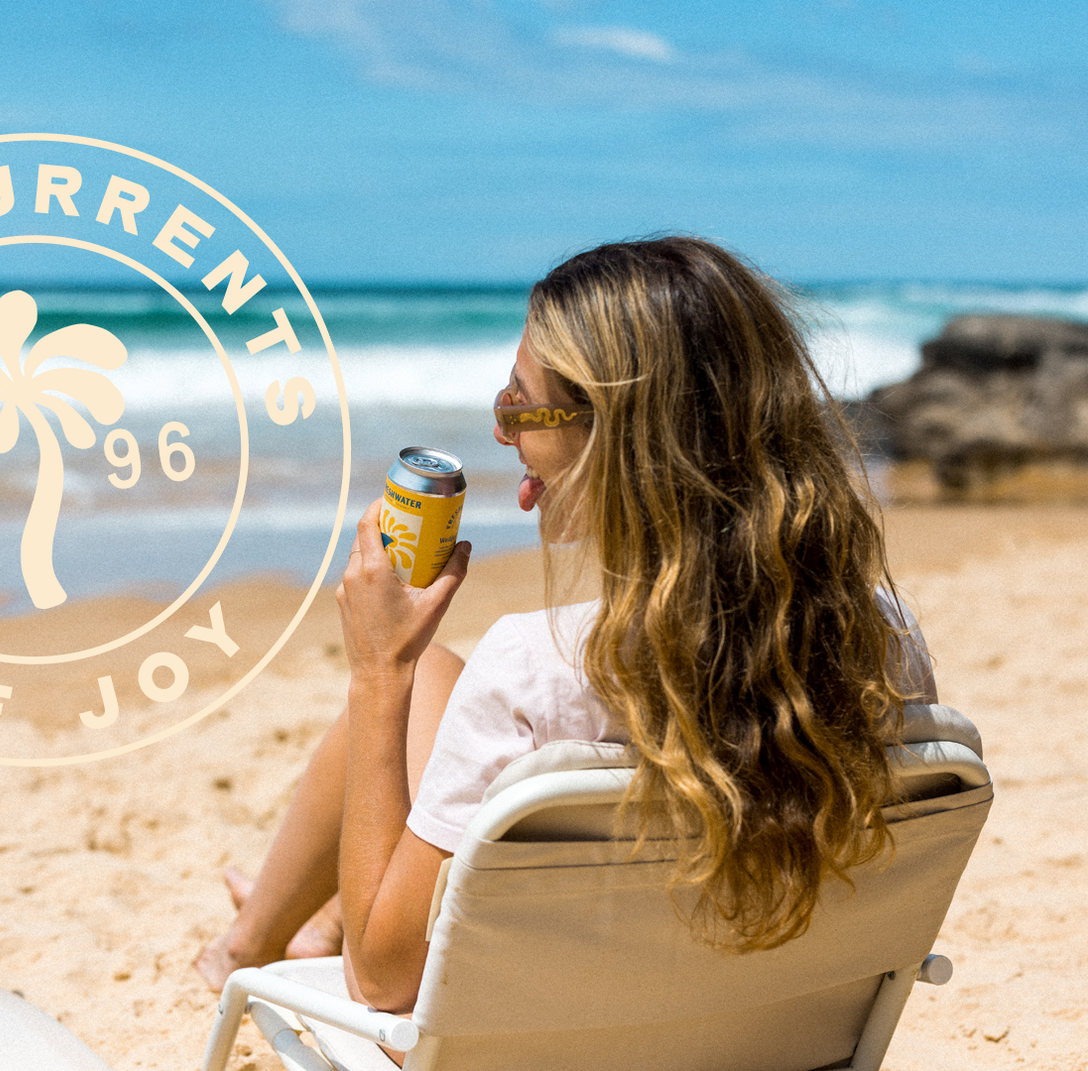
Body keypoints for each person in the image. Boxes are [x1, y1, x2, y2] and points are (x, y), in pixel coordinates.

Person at [193, 236, 936, 1015]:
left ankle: (252, 943)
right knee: (438, 672)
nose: (501, 431)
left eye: (519, 405)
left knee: (417, 680)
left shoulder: (532, 672)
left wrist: (380, 668)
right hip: (768, 1033)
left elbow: (381, 983)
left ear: (613, 436)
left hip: (547, 1036)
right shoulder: (886, 640)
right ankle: (283, 928)